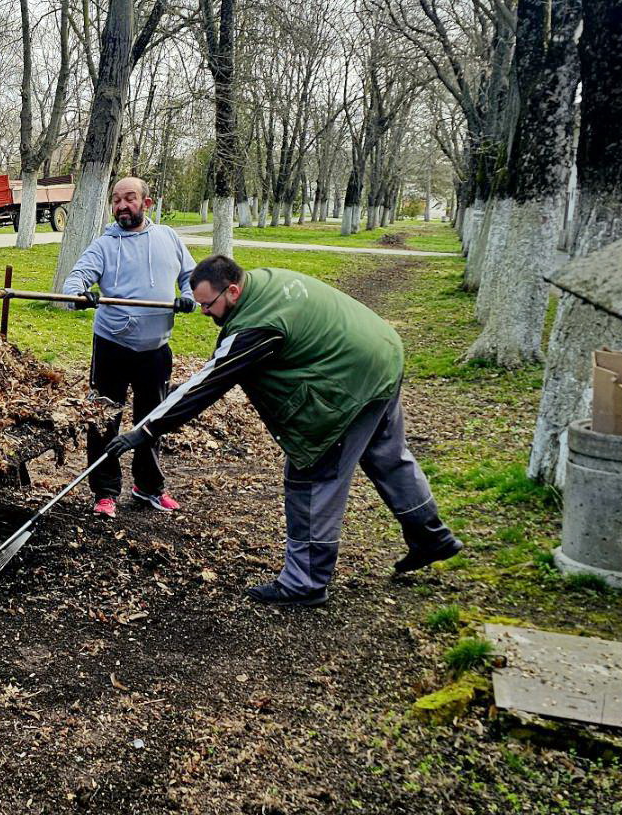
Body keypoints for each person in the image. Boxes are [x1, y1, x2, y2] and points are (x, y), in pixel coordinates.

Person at [102, 254, 463, 606]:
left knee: (311, 478)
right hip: (381, 355)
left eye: (208, 305)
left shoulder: (256, 325)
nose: (205, 313)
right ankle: (431, 537)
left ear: (232, 292)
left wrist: (145, 430)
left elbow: (207, 382)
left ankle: (304, 583)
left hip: (348, 381)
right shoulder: (262, 281)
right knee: (388, 456)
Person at [60, 176, 196, 518]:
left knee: (152, 420)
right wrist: (80, 294)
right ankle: (105, 492)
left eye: (130, 198)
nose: (122, 206)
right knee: (104, 419)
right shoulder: (104, 245)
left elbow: (190, 276)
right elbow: (76, 278)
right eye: (117, 200)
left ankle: (148, 487)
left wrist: (190, 296)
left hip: (156, 350)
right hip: (112, 347)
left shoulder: (168, 238)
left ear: (146, 203)